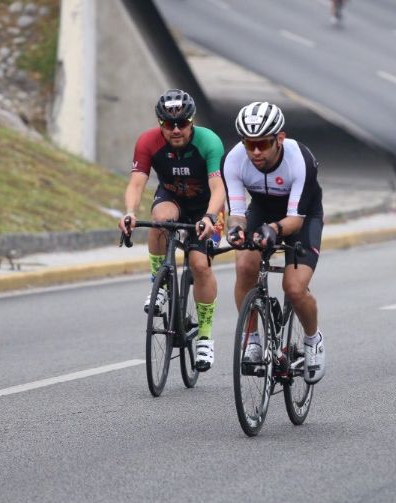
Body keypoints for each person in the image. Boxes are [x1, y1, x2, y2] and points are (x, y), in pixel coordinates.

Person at [119, 89, 226, 371]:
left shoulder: (209, 142)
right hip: (173, 198)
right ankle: (160, 282)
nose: (176, 130)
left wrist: (210, 217)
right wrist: (130, 212)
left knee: (199, 264)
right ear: (160, 123)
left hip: (207, 207)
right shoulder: (147, 142)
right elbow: (136, 183)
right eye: (168, 124)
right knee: (159, 221)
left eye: (182, 124)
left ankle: (204, 337)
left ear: (192, 121)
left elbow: (218, 188)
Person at [223, 102, 327, 384]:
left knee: (293, 288)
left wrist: (274, 229)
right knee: (245, 263)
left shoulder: (300, 160)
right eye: (249, 144)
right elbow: (236, 213)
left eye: (263, 144)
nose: (255, 152)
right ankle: (253, 339)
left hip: (302, 218)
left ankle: (312, 338)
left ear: (279, 138)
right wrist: (235, 231)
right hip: (262, 209)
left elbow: (295, 219)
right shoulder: (233, 160)